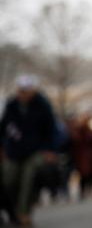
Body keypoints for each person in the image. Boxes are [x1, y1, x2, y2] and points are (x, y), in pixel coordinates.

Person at [0, 75, 57, 227]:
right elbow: (3, 128)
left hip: (36, 150)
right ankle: (14, 211)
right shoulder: (11, 105)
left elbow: (51, 130)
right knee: (8, 179)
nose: (23, 94)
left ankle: (23, 213)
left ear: (33, 90)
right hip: (14, 151)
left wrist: (50, 150)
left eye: (26, 90)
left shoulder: (43, 105)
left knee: (28, 177)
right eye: (21, 90)